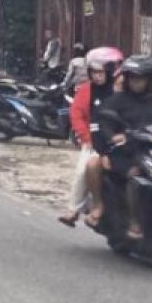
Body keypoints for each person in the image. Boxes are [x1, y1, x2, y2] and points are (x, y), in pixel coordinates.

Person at [89, 55, 152, 238]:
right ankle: (134, 222)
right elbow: (102, 124)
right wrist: (112, 140)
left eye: (140, 78)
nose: (136, 82)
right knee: (135, 175)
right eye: (132, 78)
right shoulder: (116, 101)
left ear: (150, 80)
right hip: (127, 155)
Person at [58, 46, 121, 227]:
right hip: (95, 141)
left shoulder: (121, 91)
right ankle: (73, 210)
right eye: (93, 72)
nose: (97, 76)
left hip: (120, 140)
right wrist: (86, 137)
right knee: (82, 171)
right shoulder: (86, 90)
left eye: (101, 72)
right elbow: (76, 114)